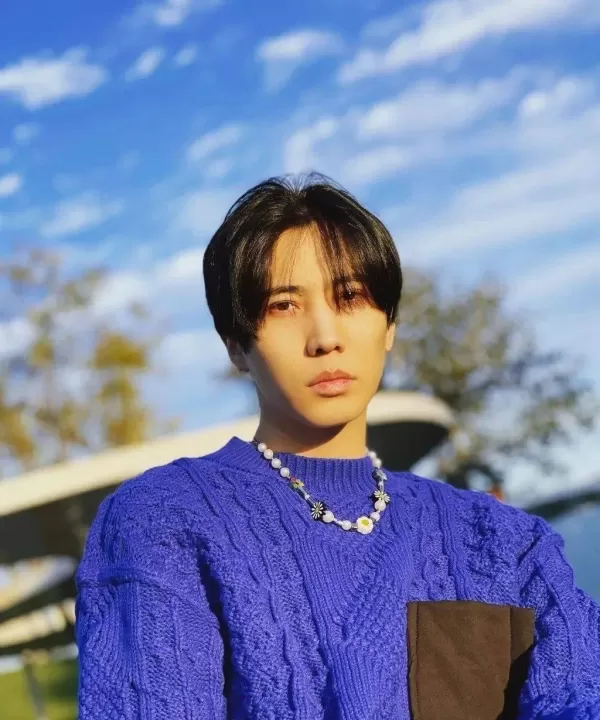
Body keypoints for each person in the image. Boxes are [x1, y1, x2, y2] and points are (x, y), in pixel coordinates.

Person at [75, 174, 600, 719]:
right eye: (283, 305)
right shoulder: (165, 519)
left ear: (389, 324)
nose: (325, 337)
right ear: (235, 345)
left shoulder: (506, 543)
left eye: (350, 297)